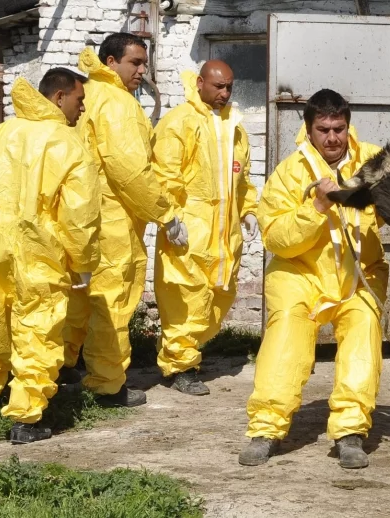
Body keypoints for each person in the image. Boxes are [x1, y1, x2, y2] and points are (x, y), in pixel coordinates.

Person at [239, 89, 389, 469]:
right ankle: (265, 429)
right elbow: (276, 239)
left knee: (364, 330)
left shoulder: (374, 163)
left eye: (339, 128)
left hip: (357, 275)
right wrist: (318, 207)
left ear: (348, 126)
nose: (333, 138)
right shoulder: (289, 173)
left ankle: (350, 432)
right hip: (299, 273)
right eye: (324, 129)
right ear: (308, 130)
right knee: (286, 334)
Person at [0, 68, 100, 444]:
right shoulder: (68, 145)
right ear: (59, 97)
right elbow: (79, 216)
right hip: (39, 252)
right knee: (38, 329)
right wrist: (83, 263)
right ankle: (26, 418)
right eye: (79, 99)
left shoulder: (0, 133)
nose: (82, 108)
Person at [64, 33, 186, 408]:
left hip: (82, 216)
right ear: (111, 62)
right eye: (134, 62)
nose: (141, 70)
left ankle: (61, 369)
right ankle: (107, 385)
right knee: (111, 303)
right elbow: (131, 172)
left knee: (78, 299)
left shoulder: (87, 94)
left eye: (144, 63)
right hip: (112, 220)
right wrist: (165, 214)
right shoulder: (117, 104)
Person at [151, 61, 260, 396]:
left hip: (224, 233)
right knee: (185, 299)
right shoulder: (179, 122)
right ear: (200, 83)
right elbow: (164, 175)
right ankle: (180, 366)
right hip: (189, 231)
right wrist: (170, 218)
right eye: (218, 86)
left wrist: (249, 209)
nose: (224, 93)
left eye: (229, 87)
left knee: (218, 296)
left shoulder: (234, 127)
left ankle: (184, 351)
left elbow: (242, 178)